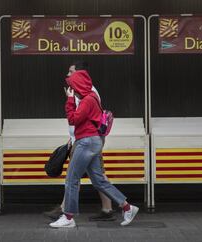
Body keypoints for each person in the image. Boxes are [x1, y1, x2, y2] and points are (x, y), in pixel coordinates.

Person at [49, 63, 139, 228]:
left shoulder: (87, 100)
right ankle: (127, 208)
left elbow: (73, 120)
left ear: (78, 85)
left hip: (86, 141)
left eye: (72, 86)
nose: (71, 90)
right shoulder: (91, 97)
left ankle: (68, 218)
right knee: (99, 181)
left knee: (71, 179)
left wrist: (69, 101)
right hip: (93, 141)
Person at [44, 61, 115, 221]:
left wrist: (69, 100)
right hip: (84, 139)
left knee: (76, 176)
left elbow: (76, 118)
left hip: (85, 141)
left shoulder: (86, 93)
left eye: (71, 72)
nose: (67, 75)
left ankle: (65, 211)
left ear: (80, 74)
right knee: (94, 176)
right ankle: (109, 208)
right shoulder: (83, 90)